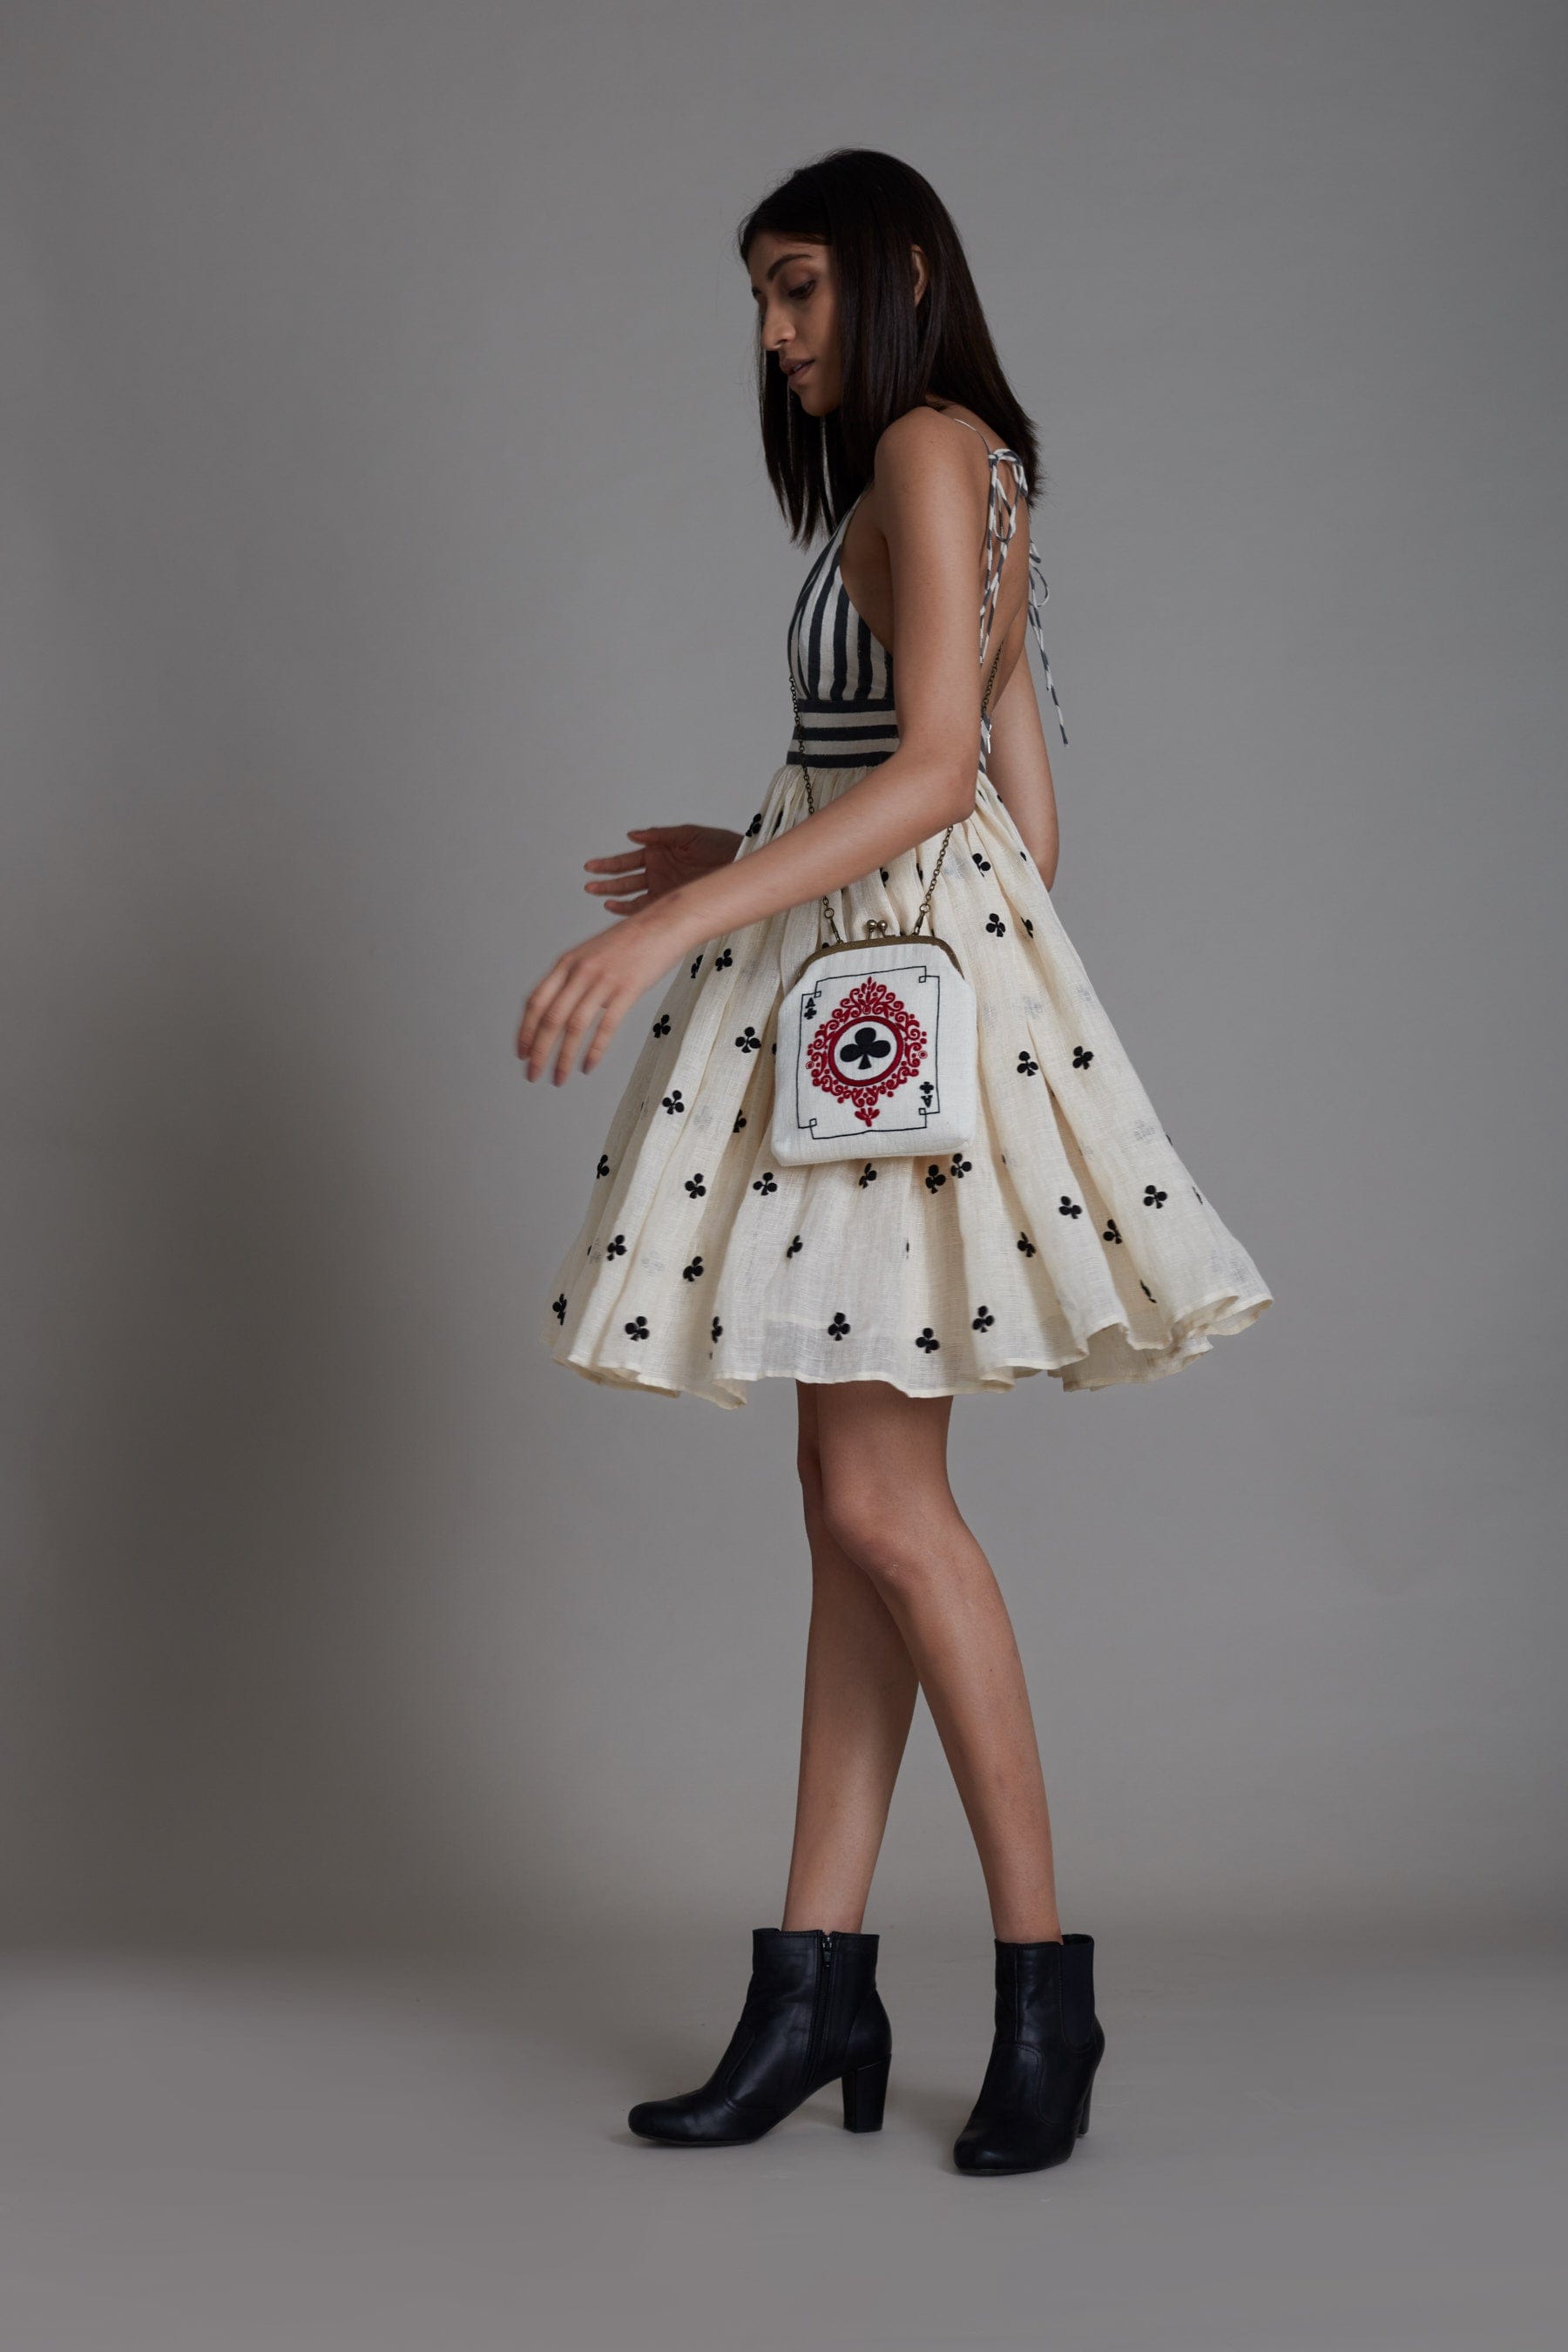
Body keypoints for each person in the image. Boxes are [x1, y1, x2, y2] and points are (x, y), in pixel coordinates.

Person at [517, 149, 1272, 2175]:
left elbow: (939, 774)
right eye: (760, 302)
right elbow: (1027, 821)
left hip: (877, 1036)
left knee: (881, 1507)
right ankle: (814, 1988)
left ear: (899, 267)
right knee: (848, 1506)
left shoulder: (930, 453)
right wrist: (753, 848)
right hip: (894, 1018)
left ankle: (1044, 1991)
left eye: (798, 288)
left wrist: (684, 924)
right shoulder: (983, 470)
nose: (774, 335)